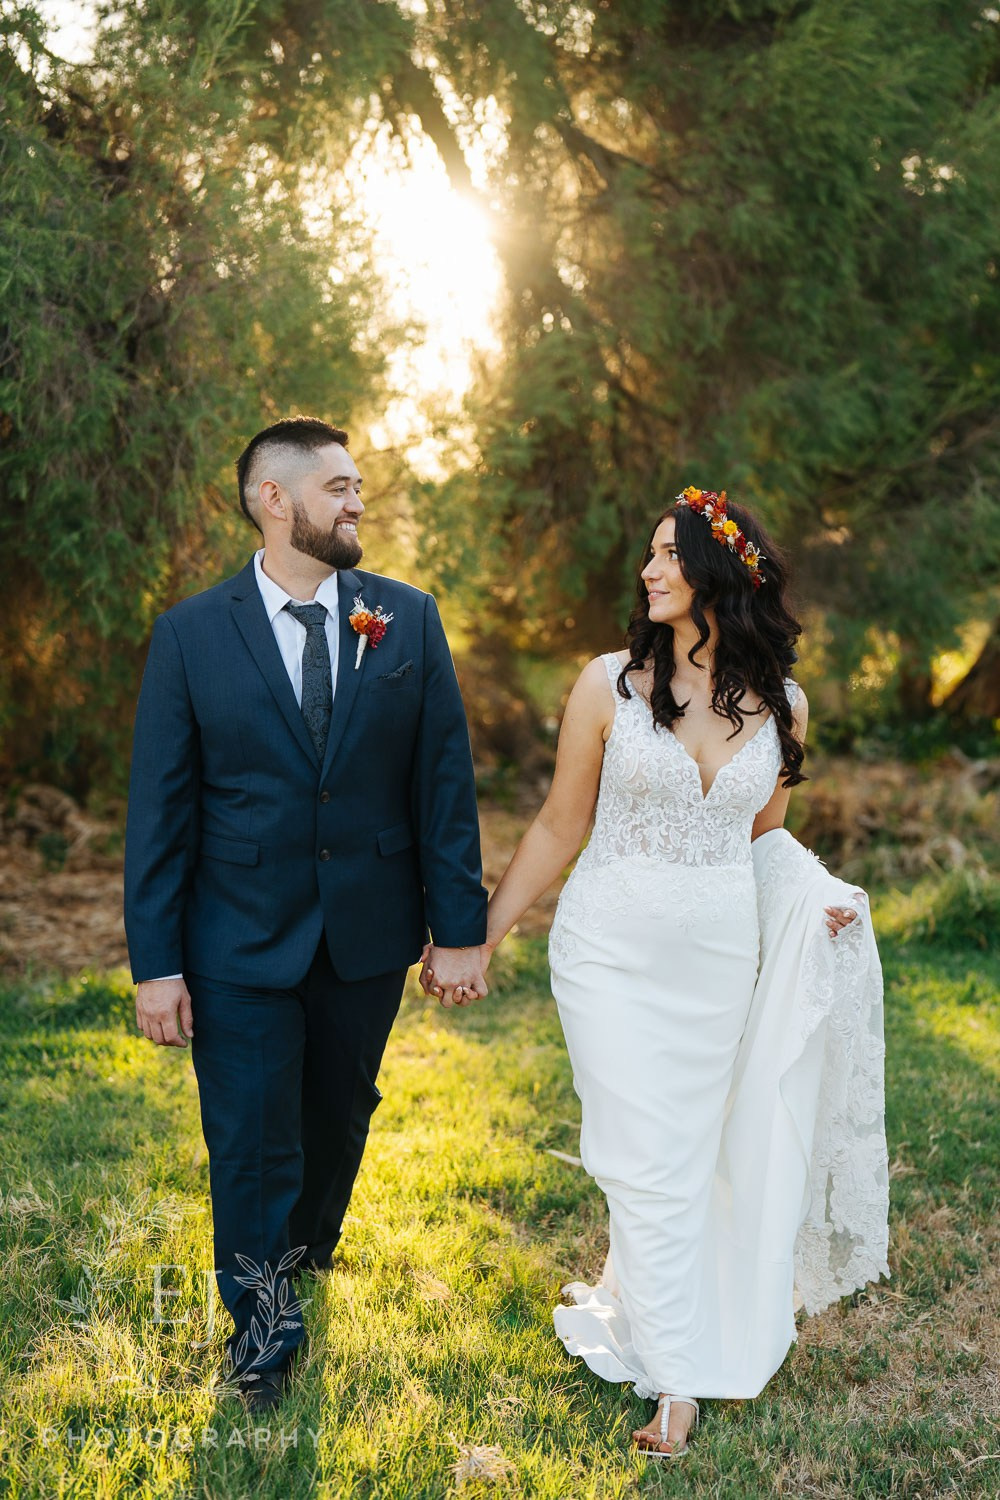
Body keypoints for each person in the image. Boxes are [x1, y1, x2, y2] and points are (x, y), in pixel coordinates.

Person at [460, 487, 888, 1458]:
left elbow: (763, 840)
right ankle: (674, 1381)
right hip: (605, 949)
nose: (649, 571)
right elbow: (561, 825)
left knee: (686, 1158)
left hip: (713, 960)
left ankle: (649, 1306)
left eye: (668, 554)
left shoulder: (786, 705)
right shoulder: (606, 684)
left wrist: (822, 898)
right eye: (648, 555)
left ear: (719, 572)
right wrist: (483, 934)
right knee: (635, 1152)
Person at [124, 416, 488, 1409]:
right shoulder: (191, 636)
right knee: (250, 1139)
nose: (356, 501)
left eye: (358, 485)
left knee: (337, 1118)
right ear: (273, 500)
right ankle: (263, 1340)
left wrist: (459, 927)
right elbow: (160, 810)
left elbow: (441, 784)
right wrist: (155, 964)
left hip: (368, 932)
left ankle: (304, 1253)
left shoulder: (406, 619)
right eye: (337, 486)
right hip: (234, 937)